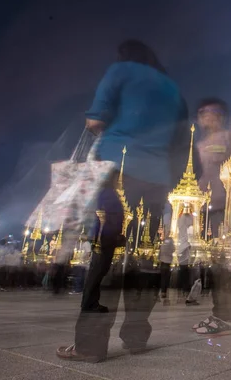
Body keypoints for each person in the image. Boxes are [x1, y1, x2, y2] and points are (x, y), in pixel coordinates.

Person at [57, 39, 189, 362]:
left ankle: (89, 345)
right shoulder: (172, 89)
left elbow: (95, 121)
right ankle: (136, 336)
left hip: (117, 172)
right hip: (156, 180)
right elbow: (180, 138)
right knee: (143, 257)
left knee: (107, 255)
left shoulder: (121, 71)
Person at [196, 98, 231, 238]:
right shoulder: (199, 146)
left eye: (214, 111)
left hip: (225, 207)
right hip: (200, 208)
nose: (209, 116)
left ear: (222, 116)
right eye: (204, 112)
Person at [158, 232, 174, 305]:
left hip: (162, 263)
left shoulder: (163, 245)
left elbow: (159, 254)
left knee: (162, 278)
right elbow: (173, 249)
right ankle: (164, 291)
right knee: (166, 278)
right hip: (167, 263)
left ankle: (162, 292)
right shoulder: (170, 245)